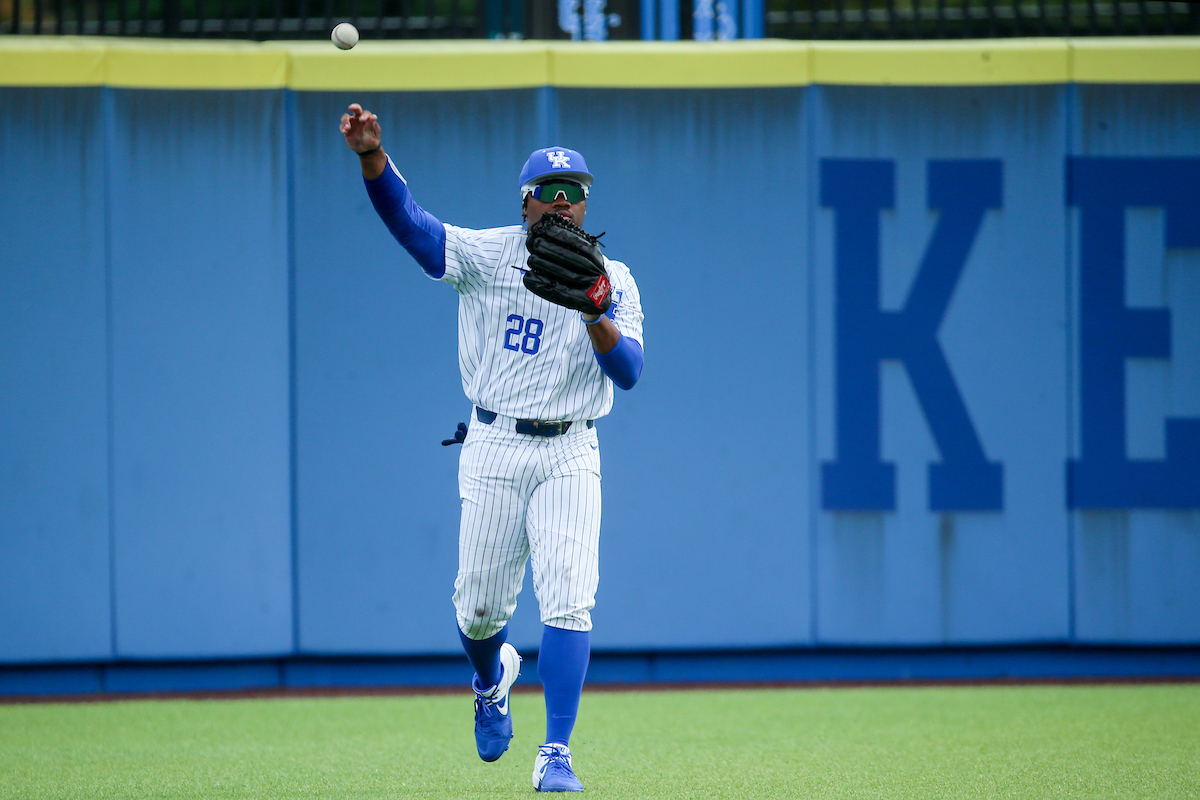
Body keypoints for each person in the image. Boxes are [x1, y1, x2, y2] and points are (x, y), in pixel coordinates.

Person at [339, 103, 644, 793]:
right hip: (494, 442)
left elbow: (629, 374)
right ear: (527, 201)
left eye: (577, 193)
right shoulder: (487, 254)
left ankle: (557, 751)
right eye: (552, 193)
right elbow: (413, 229)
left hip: (571, 449)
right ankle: (489, 679)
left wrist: (597, 311)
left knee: (569, 599)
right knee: (478, 610)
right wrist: (372, 159)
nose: (566, 204)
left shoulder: (614, 277)